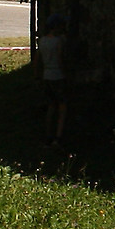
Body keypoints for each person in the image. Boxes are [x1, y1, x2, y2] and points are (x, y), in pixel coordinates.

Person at [36, 12, 69, 142]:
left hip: (46, 75)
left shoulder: (43, 41)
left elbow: (38, 60)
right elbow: (61, 59)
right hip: (58, 76)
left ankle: (48, 135)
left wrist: (37, 76)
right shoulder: (59, 41)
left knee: (51, 106)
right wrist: (66, 73)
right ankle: (59, 136)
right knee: (62, 107)